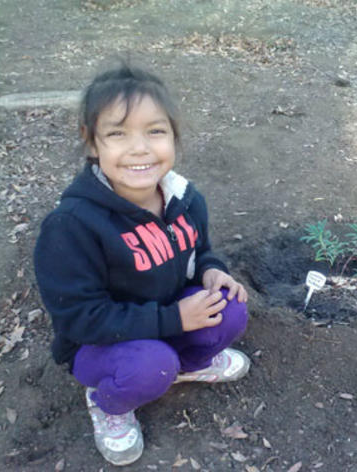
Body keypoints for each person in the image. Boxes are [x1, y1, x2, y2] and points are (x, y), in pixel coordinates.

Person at [34, 64, 250, 466]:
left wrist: (210, 269)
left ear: (173, 136)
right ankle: (108, 404)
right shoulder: (72, 226)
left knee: (230, 308)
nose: (140, 148)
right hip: (101, 345)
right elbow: (81, 319)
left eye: (155, 131)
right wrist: (173, 320)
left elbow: (199, 251)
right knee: (151, 365)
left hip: (166, 318)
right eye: (118, 133)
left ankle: (188, 365)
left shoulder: (185, 199)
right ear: (91, 143)